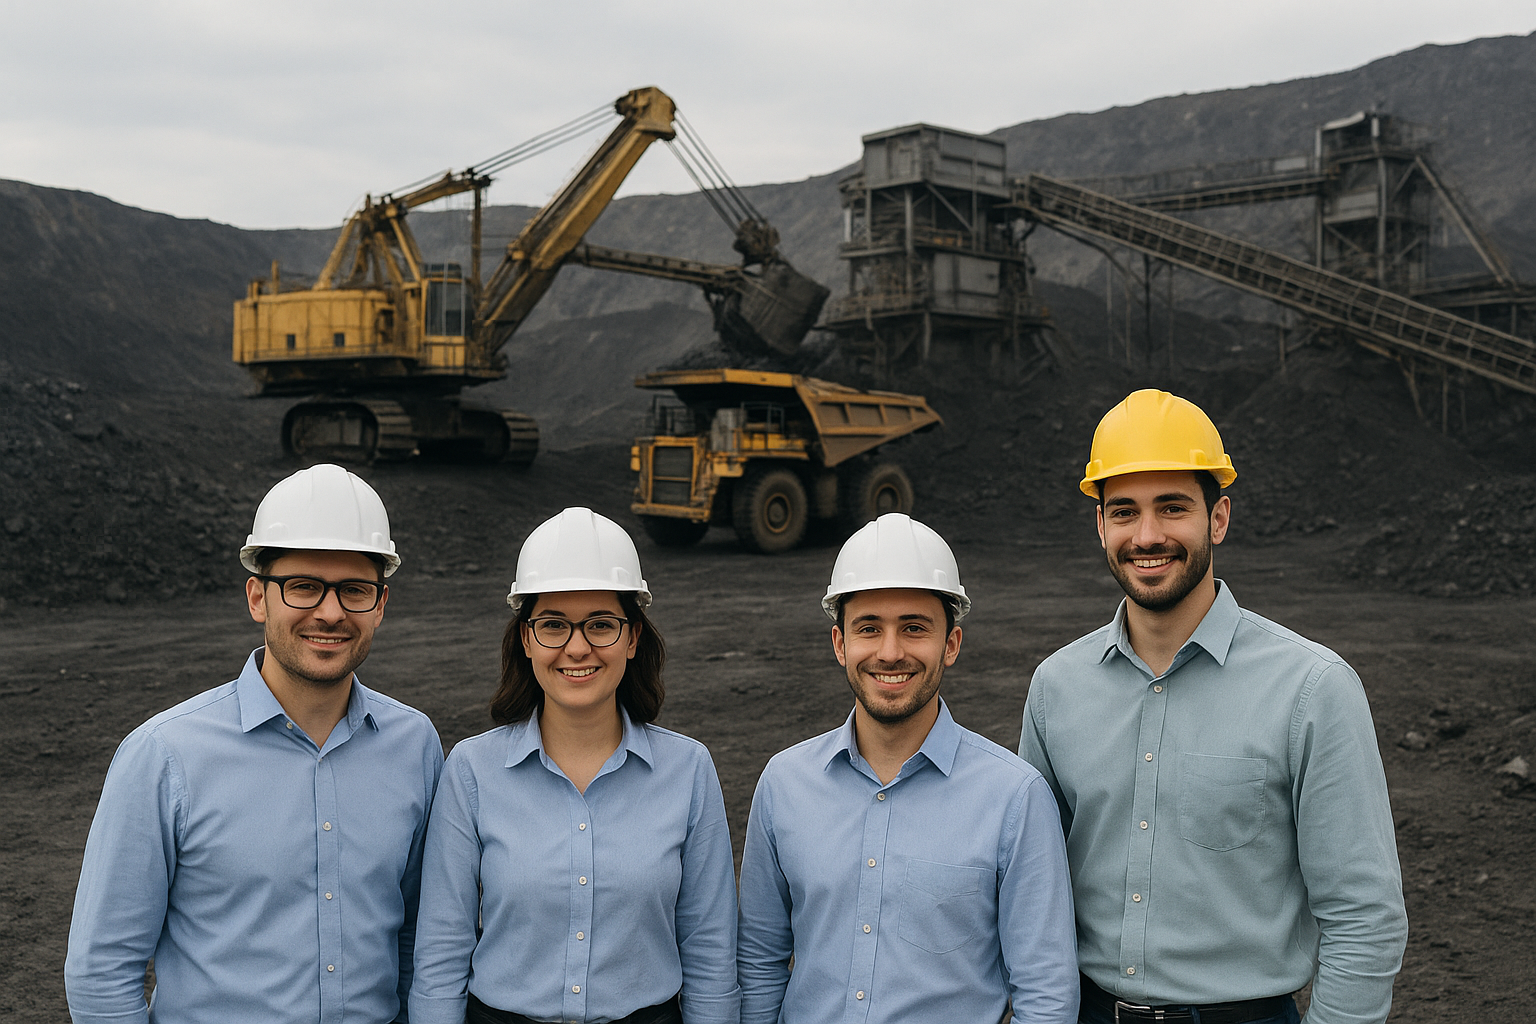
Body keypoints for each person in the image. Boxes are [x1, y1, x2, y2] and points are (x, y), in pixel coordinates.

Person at [1018, 389, 1408, 1024]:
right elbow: (1032, 890)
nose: (1147, 536)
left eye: (1172, 508)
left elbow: (1365, 915)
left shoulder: (1312, 687)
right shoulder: (1056, 686)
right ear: (1101, 526)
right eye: (1124, 511)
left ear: (1218, 518)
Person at [65, 463, 444, 1024]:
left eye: (355, 591)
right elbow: (102, 971)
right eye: (303, 587)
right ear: (257, 598)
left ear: (381, 605)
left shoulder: (414, 745)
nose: (331, 612)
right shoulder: (164, 755)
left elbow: (416, 936)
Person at [737, 512, 1079, 1024]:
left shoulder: (1015, 796)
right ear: (839, 644)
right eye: (869, 628)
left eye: (914, 628)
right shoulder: (784, 785)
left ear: (951, 645)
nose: (890, 653)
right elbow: (759, 964)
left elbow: (1045, 990)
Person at [409, 507, 738, 1024]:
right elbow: (441, 948)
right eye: (553, 626)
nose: (577, 647)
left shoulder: (689, 770)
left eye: (601, 625)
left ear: (632, 639)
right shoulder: (471, 770)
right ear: (525, 639)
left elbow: (709, 948)